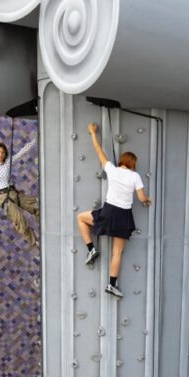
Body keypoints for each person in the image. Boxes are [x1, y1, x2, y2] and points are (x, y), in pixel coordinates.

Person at [77, 123, 151, 298]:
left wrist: (93, 132)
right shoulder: (135, 176)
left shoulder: (112, 169)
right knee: (117, 253)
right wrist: (147, 200)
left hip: (108, 212)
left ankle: (91, 249)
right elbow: (141, 199)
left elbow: (98, 149)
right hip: (124, 216)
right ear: (133, 163)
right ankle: (111, 285)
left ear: (122, 161)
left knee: (80, 218)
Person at [0, 138, 39, 247]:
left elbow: (22, 152)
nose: (1, 154)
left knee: (37, 206)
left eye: (3, 152)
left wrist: (35, 140)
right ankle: (35, 242)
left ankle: (42, 224)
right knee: (21, 223)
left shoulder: (7, 163)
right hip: (3, 198)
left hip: (13, 193)